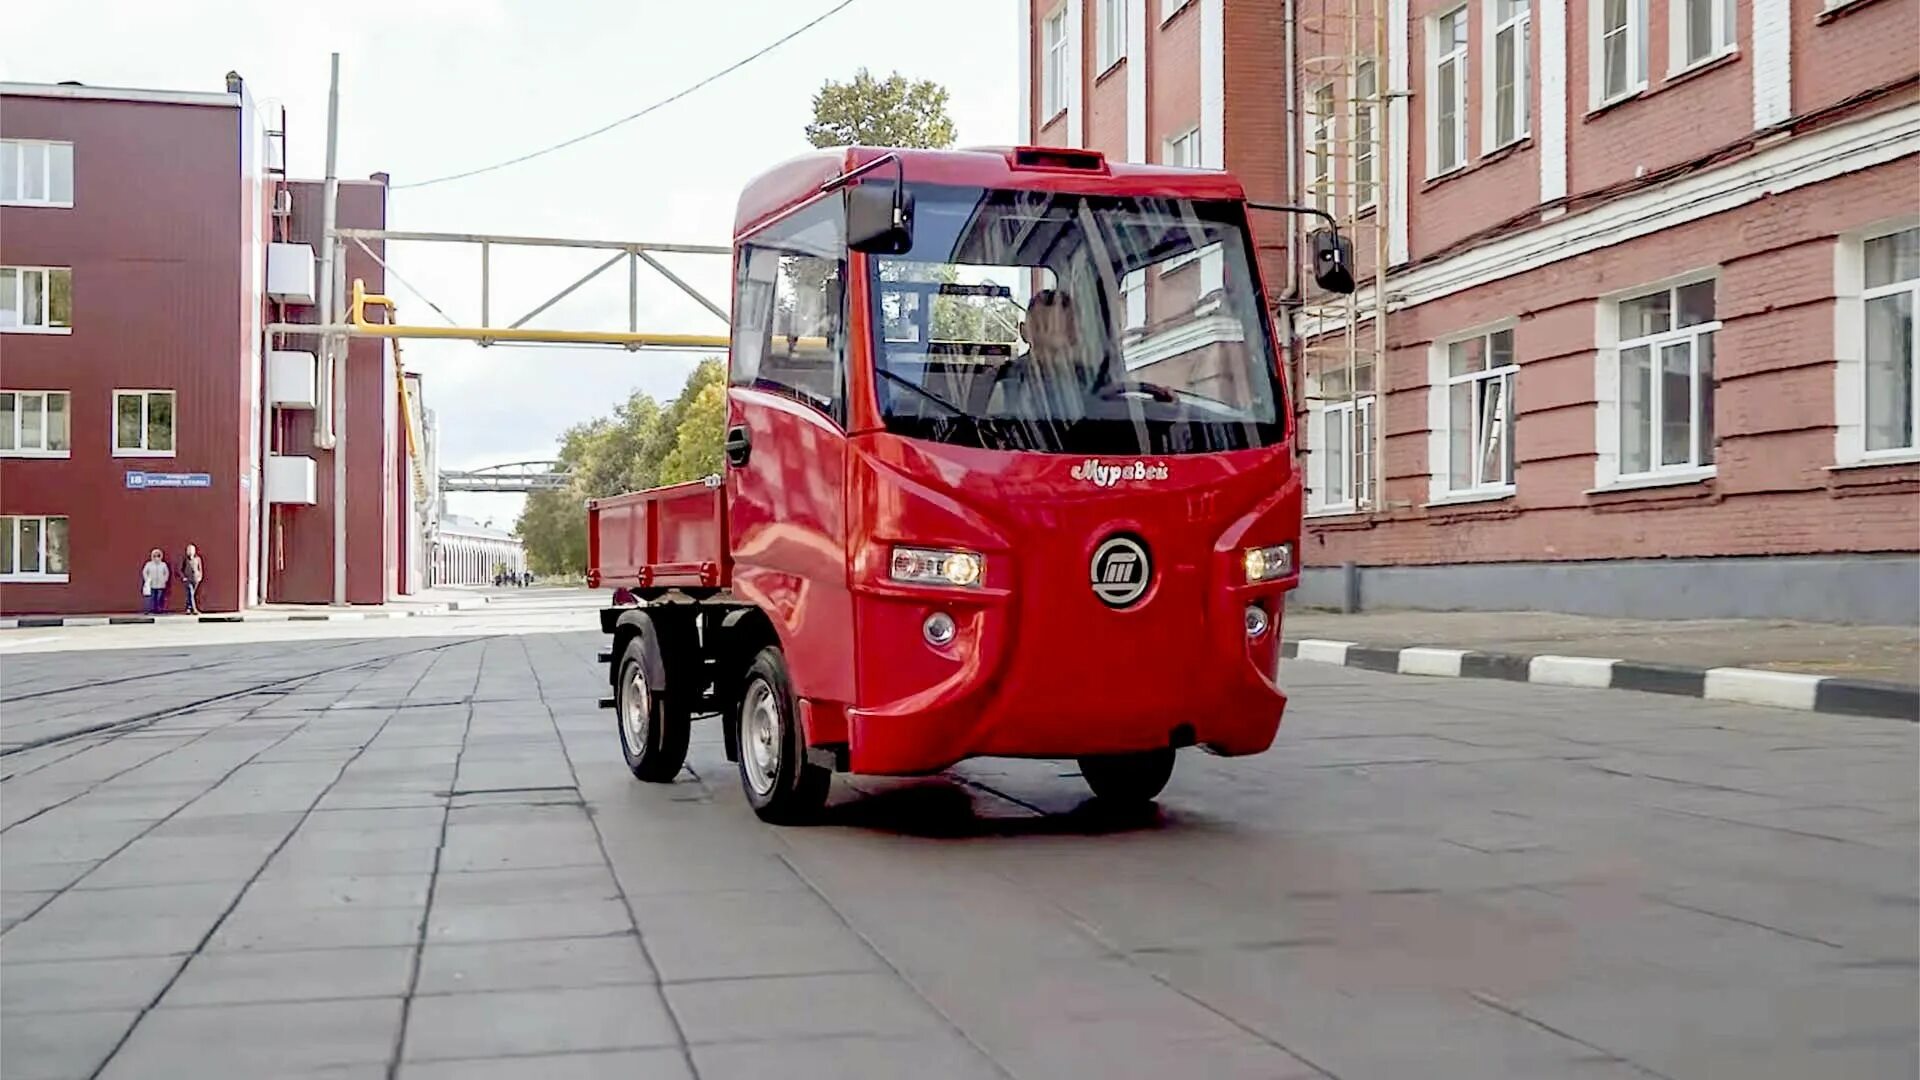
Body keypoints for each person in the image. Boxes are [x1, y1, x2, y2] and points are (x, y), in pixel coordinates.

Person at [141, 549, 170, 615]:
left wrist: (165, 580)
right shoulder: (149, 564)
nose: (156, 558)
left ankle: (159, 609)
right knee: (152, 597)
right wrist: (147, 580)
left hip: (161, 584)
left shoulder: (163, 564)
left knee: (159, 597)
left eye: (158, 556)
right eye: (155, 556)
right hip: (152, 584)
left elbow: (167, 573)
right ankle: (151, 609)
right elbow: (144, 572)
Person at [179, 543, 204, 615]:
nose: (190, 551)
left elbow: (200, 568)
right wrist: (183, 577)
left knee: (191, 594)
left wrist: (200, 576)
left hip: (195, 579)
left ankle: (188, 608)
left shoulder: (197, 558)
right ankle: (195, 610)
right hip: (187, 579)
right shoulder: (184, 558)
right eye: (189, 550)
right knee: (190, 592)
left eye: (192, 550)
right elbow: (180, 569)